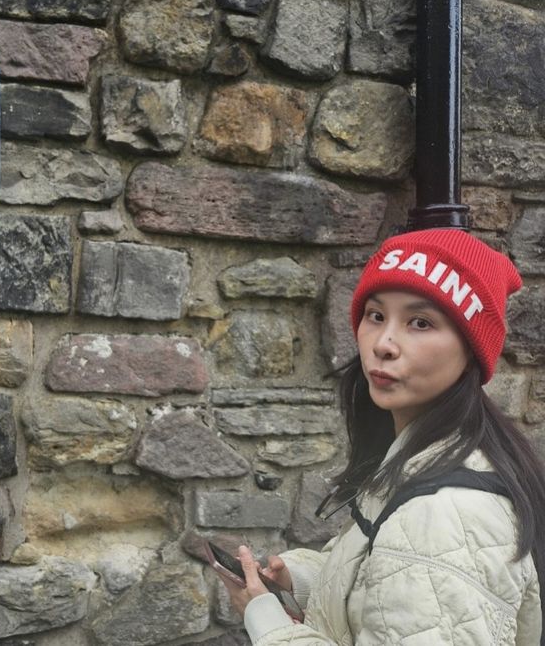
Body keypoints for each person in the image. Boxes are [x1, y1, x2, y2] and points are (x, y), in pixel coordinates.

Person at [218, 228, 544, 645]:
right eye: (376, 315)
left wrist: (265, 620)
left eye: (420, 322)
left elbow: (424, 563)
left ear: (471, 351)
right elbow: (394, 582)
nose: (384, 343)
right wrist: (300, 579)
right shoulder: (428, 456)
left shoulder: (443, 515)